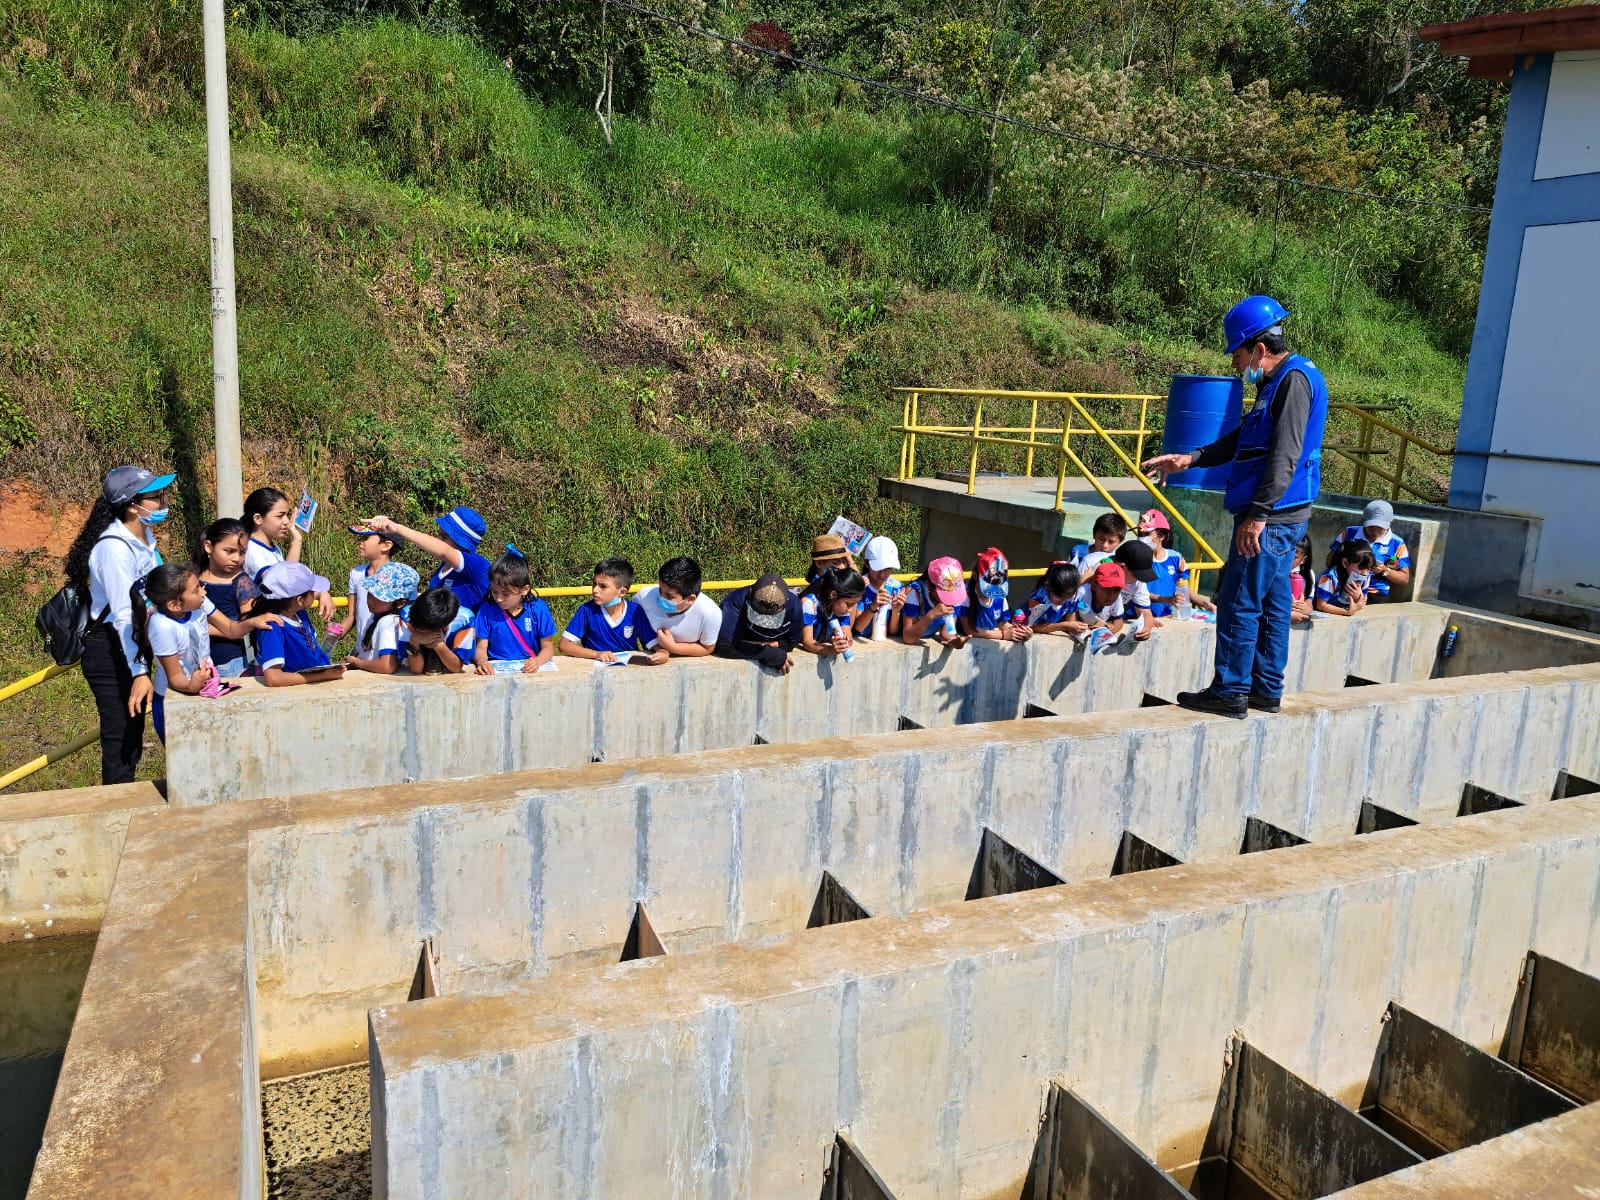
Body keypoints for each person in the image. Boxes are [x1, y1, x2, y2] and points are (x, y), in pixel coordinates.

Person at [1142, 294, 1329, 718]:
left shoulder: (1294, 382)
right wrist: (1192, 458)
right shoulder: (1278, 382)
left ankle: (1230, 690)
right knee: (1273, 601)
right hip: (1279, 513)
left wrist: (1258, 514)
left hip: (1273, 515)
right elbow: (1246, 438)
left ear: (1259, 349)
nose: (1234, 364)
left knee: (1239, 599)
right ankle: (1265, 688)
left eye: (1237, 353)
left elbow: (1286, 454)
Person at [62, 466, 174, 783]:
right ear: (131, 505)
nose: (162, 501)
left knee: (133, 733)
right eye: (154, 496)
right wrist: (140, 672)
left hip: (134, 642)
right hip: (112, 648)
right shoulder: (113, 549)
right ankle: (117, 816)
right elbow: (125, 615)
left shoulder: (144, 537)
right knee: (121, 738)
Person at [362, 506, 492, 612]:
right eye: (439, 534)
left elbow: (445, 551)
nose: (438, 540)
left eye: (444, 537)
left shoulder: (477, 565)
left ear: (463, 542)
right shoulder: (444, 567)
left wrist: (397, 528)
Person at [243, 487, 334, 622]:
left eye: (287, 514)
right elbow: (287, 584)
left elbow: (289, 576)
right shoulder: (253, 552)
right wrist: (296, 541)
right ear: (258, 518)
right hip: (271, 624)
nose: (286, 521)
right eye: (280, 516)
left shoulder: (273, 548)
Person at [251, 562, 346, 687]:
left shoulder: (297, 613)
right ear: (300, 600)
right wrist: (322, 676)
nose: (315, 592)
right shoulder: (273, 627)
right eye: (312, 591)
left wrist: (324, 593)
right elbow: (273, 678)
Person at [560, 557, 667, 664]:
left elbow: (653, 643)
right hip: (597, 669)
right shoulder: (587, 610)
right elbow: (564, 645)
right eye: (594, 584)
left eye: (603, 586)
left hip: (628, 667)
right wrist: (596, 654)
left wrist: (662, 653)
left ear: (622, 592)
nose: (595, 590)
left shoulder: (635, 611)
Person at [473, 549, 557, 674]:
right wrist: (482, 662)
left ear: (524, 589)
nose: (499, 599)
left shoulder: (538, 609)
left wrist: (537, 661)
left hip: (528, 669)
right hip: (496, 670)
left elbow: (548, 648)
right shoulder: (486, 610)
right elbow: (480, 647)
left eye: (506, 594)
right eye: (494, 591)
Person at [195, 517, 252, 679]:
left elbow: (246, 629)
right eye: (229, 551)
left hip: (229, 662)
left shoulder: (243, 582)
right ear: (208, 547)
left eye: (242, 552)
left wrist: (201, 630)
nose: (236, 558)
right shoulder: (193, 577)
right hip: (194, 661)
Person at [715, 573, 804, 673]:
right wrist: (768, 653)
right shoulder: (735, 602)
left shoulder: (795, 607)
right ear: (750, 592)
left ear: (786, 602)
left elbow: (791, 643)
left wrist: (760, 646)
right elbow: (724, 646)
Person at [635, 557, 722, 657]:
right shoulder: (643, 597)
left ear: (690, 599)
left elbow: (707, 648)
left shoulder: (710, 613)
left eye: (669, 596)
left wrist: (672, 647)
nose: (660, 597)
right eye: (660, 590)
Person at [346, 561, 420, 675]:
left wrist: (357, 663)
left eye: (378, 597)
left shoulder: (388, 623)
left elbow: (387, 666)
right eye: (370, 593)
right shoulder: (384, 618)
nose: (370, 600)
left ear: (400, 603)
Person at [1328, 499, 1410, 601]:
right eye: (1371, 526)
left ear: (1389, 523)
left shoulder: (1397, 543)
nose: (1375, 532)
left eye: (1380, 528)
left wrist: (1385, 570)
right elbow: (1330, 561)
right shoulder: (1349, 533)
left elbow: (1404, 578)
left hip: (1375, 592)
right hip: (1344, 586)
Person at [346, 524, 399, 650]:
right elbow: (351, 616)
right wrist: (333, 636)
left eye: (366, 538)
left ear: (386, 545)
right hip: (362, 650)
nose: (360, 542)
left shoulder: (400, 576)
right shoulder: (356, 573)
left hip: (388, 650)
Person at [400, 587, 475, 675]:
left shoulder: (465, 619)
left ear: (444, 626)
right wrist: (414, 642)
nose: (416, 629)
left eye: (423, 630)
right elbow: (416, 670)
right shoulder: (407, 615)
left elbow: (456, 667)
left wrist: (439, 644)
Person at [899, 556, 970, 649]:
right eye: (945, 594)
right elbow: (908, 637)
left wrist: (954, 642)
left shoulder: (955, 597)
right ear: (929, 585)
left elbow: (947, 631)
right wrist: (931, 615)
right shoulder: (915, 594)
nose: (950, 600)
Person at [962, 548, 1030, 643]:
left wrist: (1019, 632)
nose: (992, 591)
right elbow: (969, 630)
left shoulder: (1000, 596)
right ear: (975, 576)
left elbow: (1003, 624)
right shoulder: (964, 596)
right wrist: (1002, 635)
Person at [799, 567, 868, 658]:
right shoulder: (809, 604)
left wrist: (845, 642)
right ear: (833, 595)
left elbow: (848, 635)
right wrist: (829, 650)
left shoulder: (841, 608)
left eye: (854, 605)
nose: (850, 610)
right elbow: (807, 642)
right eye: (848, 604)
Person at [1075, 562, 1131, 652]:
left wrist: (1113, 627)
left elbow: (1119, 620)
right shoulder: (1081, 595)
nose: (1111, 595)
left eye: (1117, 590)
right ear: (1094, 585)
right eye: (1106, 589)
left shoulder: (1117, 599)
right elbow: (1069, 619)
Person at [860, 535, 906, 641]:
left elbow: (893, 632)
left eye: (888, 568)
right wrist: (873, 606)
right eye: (878, 568)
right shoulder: (860, 586)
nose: (883, 574)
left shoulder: (896, 587)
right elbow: (858, 628)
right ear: (866, 563)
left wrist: (895, 612)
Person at [1315, 539, 1376, 616]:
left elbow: (1364, 600)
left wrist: (1357, 597)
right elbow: (1320, 605)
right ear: (1345, 563)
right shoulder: (1329, 578)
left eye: (1369, 569)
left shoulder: (1366, 577)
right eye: (1361, 568)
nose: (1365, 573)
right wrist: (1346, 612)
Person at [1110, 541, 1158, 640]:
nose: (1138, 579)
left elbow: (1145, 612)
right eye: (1137, 575)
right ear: (1122, 567)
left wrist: (1147, 628)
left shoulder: (1137, 582)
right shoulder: (1099, 570)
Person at [1025, 562, 1086, 635]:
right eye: (1059, 597)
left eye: (1068, 598)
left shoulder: (1073, 595)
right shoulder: (1038, 600)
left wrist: (1078, 628)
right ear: (1048, 586)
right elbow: (1032, 627)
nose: (1063, 601)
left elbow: (1070, 621)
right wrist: (1065, 626)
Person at [1290, 536, 1315, 624]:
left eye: (1294, 557)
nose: (1288, 560)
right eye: (1286, 554)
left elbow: (1309, 604)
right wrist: (1287, 615)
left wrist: (1304, 608)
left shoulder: (1308, 575)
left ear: (1303, 560)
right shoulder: (1273, 572)